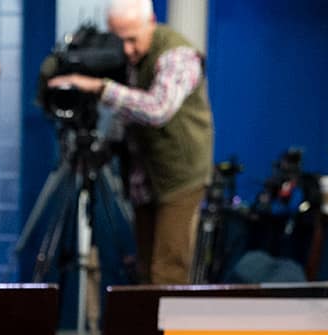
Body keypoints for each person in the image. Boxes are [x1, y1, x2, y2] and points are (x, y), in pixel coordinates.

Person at [48, 0, 214, 284]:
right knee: (146, 269)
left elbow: (157, 109)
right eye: (119, 40)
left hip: (179, 178)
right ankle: (145, 328)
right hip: (143, 176)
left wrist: (99, 87)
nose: (127, 50)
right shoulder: (131, 58)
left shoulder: (178, 55)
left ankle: (164, 329)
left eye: (132, 40)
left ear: (150, 21)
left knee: (167, 271)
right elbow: (127, 113)